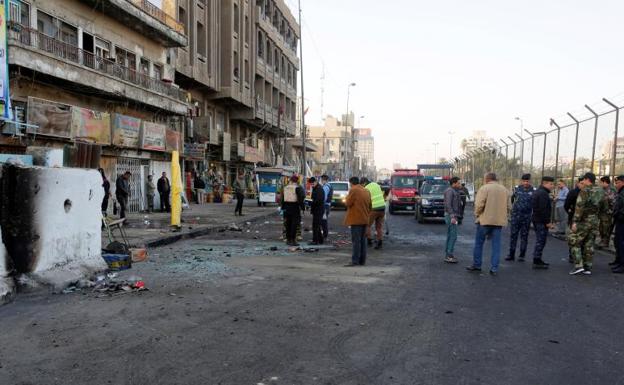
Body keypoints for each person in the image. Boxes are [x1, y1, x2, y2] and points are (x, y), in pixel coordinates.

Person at [467, 173, 510, 275]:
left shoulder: (484, 188)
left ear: (487, 179)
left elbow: (479, 205)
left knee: (479, 244)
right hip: (498, 222)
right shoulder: (504, 190)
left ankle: (477, 265)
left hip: (484, 221)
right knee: (496, 246)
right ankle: (494, 268)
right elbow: (509, 207)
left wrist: (477, 214)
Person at [569, 172, 606, 275]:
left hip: (584, 221)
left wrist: (575, 222)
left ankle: (578, 265)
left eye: (583, 180)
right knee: (589, 244)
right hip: (595, 221)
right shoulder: (601, 191)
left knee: (574, 240)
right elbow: (605, 207)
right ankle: (587, 267)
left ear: (587, 180)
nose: (583, 182)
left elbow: (579, 207)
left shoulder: (584, 191)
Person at [506, 174, 535, 262]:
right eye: (524, 181)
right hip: (516, 216)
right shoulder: (516, 189)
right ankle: (511, 254)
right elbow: (512, 200)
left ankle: (522, 255)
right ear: (521, 181)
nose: (526, 183)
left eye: (527, 181)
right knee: (513, 235)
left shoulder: (533, 190)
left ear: (530, 181)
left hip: (526, 217)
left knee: (524, 236)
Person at [344, 177, 371, 266]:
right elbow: (370, 206)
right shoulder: (366, 191)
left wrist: (347, 196)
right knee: (363, 241)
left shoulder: (354, 190)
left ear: (351, 183)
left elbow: (348, 203)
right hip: (365, 219)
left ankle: (355, 261)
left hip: (356, 219)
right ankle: (362, 261)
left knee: (356, 241)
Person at [532, 176, 555, 269]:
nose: (552, 186)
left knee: (540, 240)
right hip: (541, 221)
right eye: (551, 184)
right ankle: (537, 260)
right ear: (544, 183)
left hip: (537, 220)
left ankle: (538, 259)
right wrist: (547, 222)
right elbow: (542, 209)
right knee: (541, 241)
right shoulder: (543, 193)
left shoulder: (539, 192)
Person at [281, 175, 305, 246]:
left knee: (288, 224)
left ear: (290, 180)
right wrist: (303, 208)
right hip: (294, 207)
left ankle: (288, 240)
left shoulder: (285, 187)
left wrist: (282, 208)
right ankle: (293, 240)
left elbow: (282, 198)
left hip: (286, 207)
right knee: (294, 224)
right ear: (297, 181)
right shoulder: (298, 188)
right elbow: (301, 198)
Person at [362, 177, 386, 249]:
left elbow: (367, 200)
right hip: (382, 208)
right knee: (379, 227)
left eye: (362, 184)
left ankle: (369, 241)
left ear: (364, 183)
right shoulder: (376, 184)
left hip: (374, 208)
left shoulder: (366, 188)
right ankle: (380, 242)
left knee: (367, 225)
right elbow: (382, 193)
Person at [564, 177, 584, 263]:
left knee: (582, 238)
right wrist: (571, 213)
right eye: (582, 183)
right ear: (578, 183)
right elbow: (566, 205)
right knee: (573, 238)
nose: (583, 185)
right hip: (573, 218)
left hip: (584, 219)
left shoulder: (586, 192)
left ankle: (581, 256)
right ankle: (572, 256)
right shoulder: (573, 192)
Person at [443, 177, 462, 264]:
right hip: (451, 216)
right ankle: (449, 255)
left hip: (452, 216)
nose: (459, 185)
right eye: (458, 183)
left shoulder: (454, 191)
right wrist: (452, 216)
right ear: (453, 183)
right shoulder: (450, 191)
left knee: (451, 235)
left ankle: (448, 254)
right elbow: (448, 204)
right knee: (453, 236)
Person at [611, 175, 624, 273]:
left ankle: (622, 265)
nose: (616, 185)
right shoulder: (621, 192)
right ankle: (619, 261)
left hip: (622, 221)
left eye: (617, 182)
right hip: (619, 220)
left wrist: (619, 215)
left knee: (622, 242)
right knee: (617, 241)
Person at [599, 176, 616, 248]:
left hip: (608, 212)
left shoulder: (611, 190)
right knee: (601, 227)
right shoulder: (603, 189)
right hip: (602, 212)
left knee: (606, 228)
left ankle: (605, 242)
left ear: (605, 182)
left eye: (601, 182)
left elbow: (613, 202)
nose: (600, 184)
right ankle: (603, 240)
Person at [309, 177, 325, 245]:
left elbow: (318, 200)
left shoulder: (319, 189)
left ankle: (315, 241)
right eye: (311, 184)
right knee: (317, 226)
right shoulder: (316, 188)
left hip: (318, 210)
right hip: (317, 209)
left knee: (315, 226)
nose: (312, 185)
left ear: (316, 182)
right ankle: (320, 240)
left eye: (313, 184)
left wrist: (310, 202)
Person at [321, 175, 333, 240]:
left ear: (324, 180)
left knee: (323, 221)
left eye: (322, 180)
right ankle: (325, 234)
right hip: (327, 205)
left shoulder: (325, 187)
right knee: (324, 220)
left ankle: (325, 235)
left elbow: (324, 197)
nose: (321, 181)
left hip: (324, 206)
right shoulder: (329, 186)